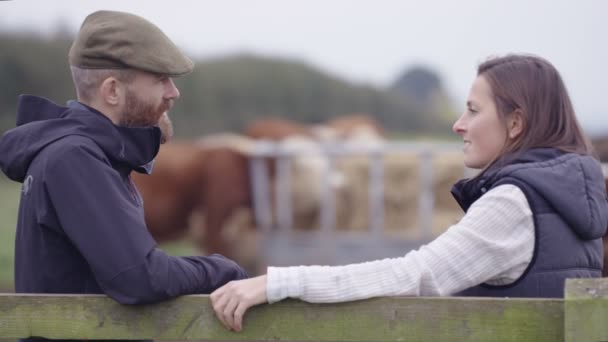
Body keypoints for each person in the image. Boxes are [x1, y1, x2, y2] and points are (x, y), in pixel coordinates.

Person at [210, 54, 608, 331]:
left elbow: (414, 276)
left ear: (516, 122)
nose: (458, 124)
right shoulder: (572, 196)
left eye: (472, 109)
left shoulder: (515, 203)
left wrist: (277, 283)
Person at [0, 9, 248, 333]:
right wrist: (224, 271)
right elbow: (139, 276)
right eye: (161, 78)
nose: (173, 92)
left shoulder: (91, 157)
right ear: (113, 91)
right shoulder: (75, 159)